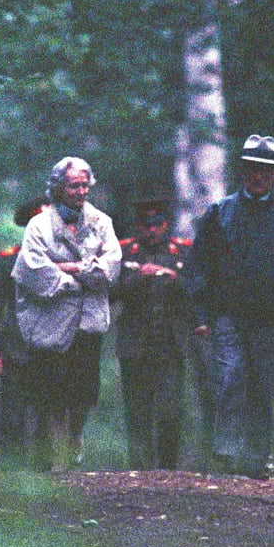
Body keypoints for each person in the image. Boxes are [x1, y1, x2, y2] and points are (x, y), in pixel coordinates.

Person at [186, 134, 274, 480]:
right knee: (230, 376)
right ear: (242, 171)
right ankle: (227, 452)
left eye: (264, 170)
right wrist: (202, 315)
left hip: (271, 317)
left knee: (263, 385)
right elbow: (198, 266)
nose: (257, 176)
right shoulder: (220, 213)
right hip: (228, 314)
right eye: (251, 169)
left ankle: (256, 458)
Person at [11, 157, 121, 473]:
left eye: (85, 184)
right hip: (50, 321)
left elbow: (110, 268)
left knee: (84, 392)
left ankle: (75, 437)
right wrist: (79, 278)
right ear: (59, 186)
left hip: (88, 320)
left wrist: (72, 268)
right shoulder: (39, 225)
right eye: (74, 185)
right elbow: (33, 269)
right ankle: (58, 460)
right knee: (54, 391)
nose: (81, 191)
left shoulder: (102, 222)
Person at [113, 197, 195, 470]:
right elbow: (109, 293)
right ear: (138, 226)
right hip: (135, 342)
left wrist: (172, 278)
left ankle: (169, 467)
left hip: (170, 342)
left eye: (157, 224)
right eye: (146, 225)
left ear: (166, 224)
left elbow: (198, 290)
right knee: (137, 409)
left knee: (170, 409)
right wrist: (140, 277)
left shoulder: (183, 251)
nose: (152, 230)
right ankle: (140, 468)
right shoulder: (124, 251)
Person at [0, 195, 51, 468]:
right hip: (16, 349)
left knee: (46, 418)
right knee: (12, 417)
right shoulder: (7, 261)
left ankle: (43, 479)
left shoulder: (66, 260)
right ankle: (10, 477)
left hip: (53, 350)